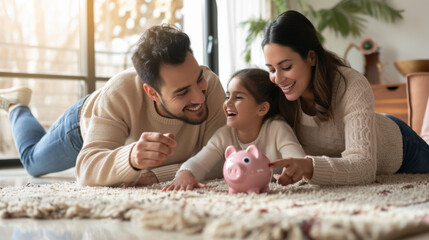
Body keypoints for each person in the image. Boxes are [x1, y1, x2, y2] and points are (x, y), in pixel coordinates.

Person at [0, 24, 227, 187]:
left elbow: (221, 157)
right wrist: (131, 159)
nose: (199, 97)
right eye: (182, 92)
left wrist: (157, 174)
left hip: (114, 119)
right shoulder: (119, 93)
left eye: (198, 79)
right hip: (85, 125)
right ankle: (17, 106)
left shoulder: (212, 86)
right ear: (152, 93)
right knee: (31, 162)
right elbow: (87, 170)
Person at [262, 10, 429, 186]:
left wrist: (309, 167)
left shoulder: (351, 84)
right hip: (372, 122)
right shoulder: (276, 94)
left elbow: (364, 168)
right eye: (271, 70)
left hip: (401, 146)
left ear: (311, 57)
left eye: (286, 67)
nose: (278, 78)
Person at [162, 68, 306, 191]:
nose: (227, 103)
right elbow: (200, 161)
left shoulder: (277, 128)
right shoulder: (224, 134)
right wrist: (185, 173)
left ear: (262, 108)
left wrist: (291, 173)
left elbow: (298, 160)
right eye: (227, 96)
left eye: (238, 97)